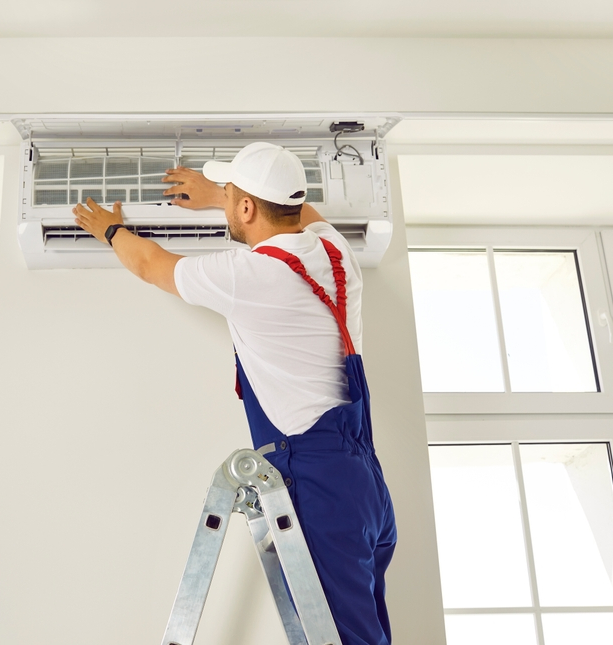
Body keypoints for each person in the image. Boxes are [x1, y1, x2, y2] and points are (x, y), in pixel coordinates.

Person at [72, 142, 397, 645]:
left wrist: (109, 230)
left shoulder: (250, 274)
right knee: (362, 634)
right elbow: (300, 210)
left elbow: (151, 265)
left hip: (318, 488)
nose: (224, 202)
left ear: (247, 207)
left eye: (231, 196)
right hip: (364, 483)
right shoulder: (334, 252)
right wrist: (221, 196)